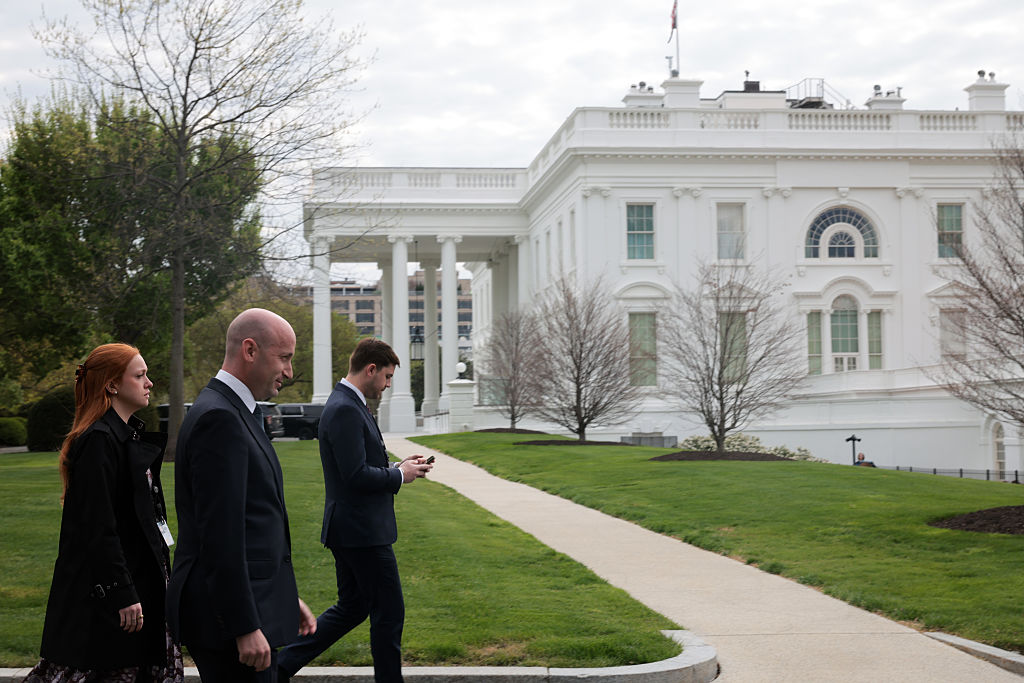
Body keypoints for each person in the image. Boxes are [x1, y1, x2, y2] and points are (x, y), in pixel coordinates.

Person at [166, 309, 316, 682]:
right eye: (284, 357)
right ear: (250, 350)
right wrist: (244, 625)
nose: (290, 372)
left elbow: (251, 523)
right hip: (229, 626)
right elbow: (221, 537)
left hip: (247, 610)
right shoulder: (220, 419)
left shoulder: (236, 411)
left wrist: (282, 597)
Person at [277, 338, 432, 683]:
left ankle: (280, 668)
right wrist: (399, 475)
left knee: (352, 608)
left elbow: (360, 465)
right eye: (388, 376)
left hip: (352, 529)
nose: (388, 385)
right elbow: (355, 476)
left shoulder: (348, 403)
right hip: (362, 533)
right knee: (389, 614)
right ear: (371, 368)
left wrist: (398, 465)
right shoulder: (346, 407)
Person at [27, 343, 183, 683]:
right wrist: (122, 593)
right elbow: (97, 528)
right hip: (109, 603)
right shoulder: (99, 441)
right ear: (112, 385)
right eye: (140, 375)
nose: (149, 383)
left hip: (138, 589)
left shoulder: (125, 437)